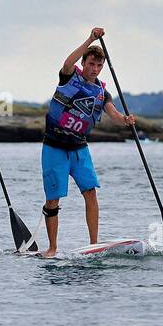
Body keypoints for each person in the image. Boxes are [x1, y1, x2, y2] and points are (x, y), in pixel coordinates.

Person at [40, 27, 135, 257]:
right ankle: (52, 248)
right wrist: (90, 39)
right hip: (54, 147)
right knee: (53, 199)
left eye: (99, 66)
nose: (95, 70)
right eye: (91, 64)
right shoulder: (69, 75)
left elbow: (113, 114)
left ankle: (94, 244)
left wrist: (125, 120)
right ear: (84, 63)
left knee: (90, 192)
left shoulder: (102, 92)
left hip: (79, 148)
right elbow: (67, 61)